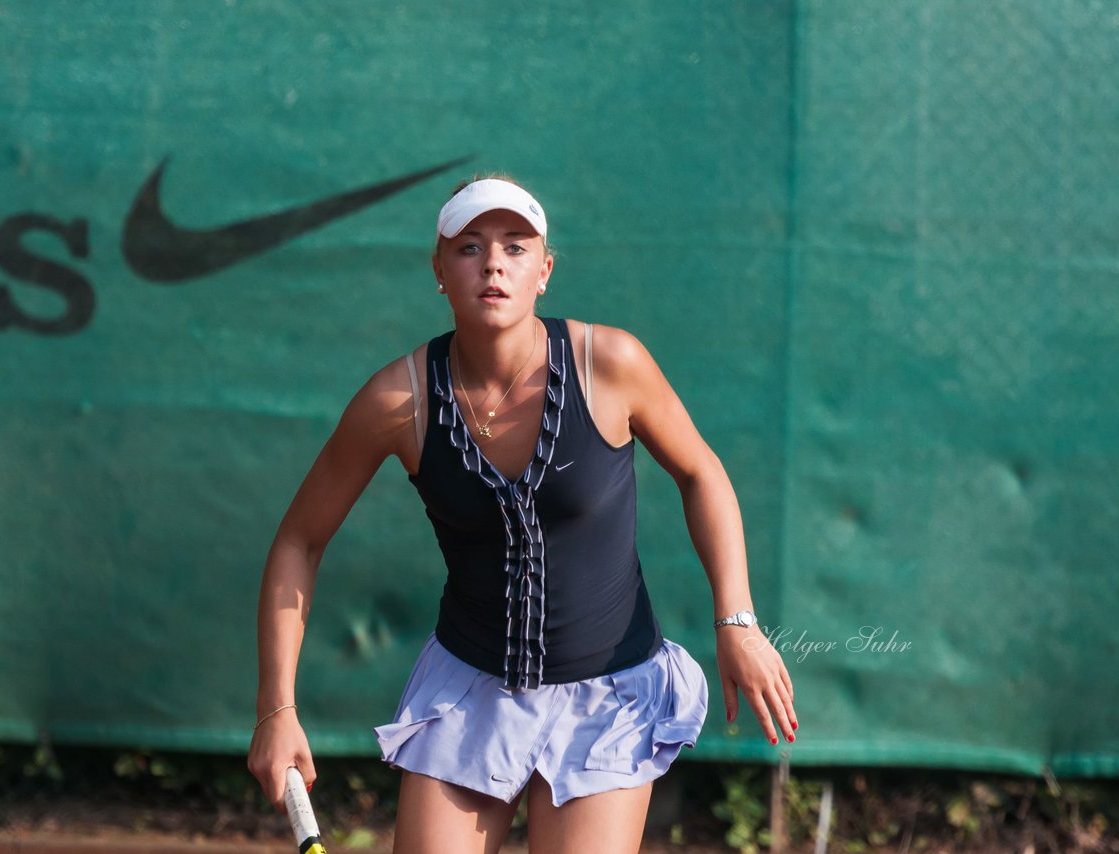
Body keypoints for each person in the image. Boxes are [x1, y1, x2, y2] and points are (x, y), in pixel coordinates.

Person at [247, 175, 798, 853]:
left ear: (545, 271)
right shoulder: (398, 401)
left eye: (515, 246)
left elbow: (700, 471)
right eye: (470, 247)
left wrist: (736, 621)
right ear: (440, 272)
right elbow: (299, 539)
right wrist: (277, 708)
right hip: (469, 694)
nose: (494, 263)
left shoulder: (611, 364)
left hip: (611, 697)